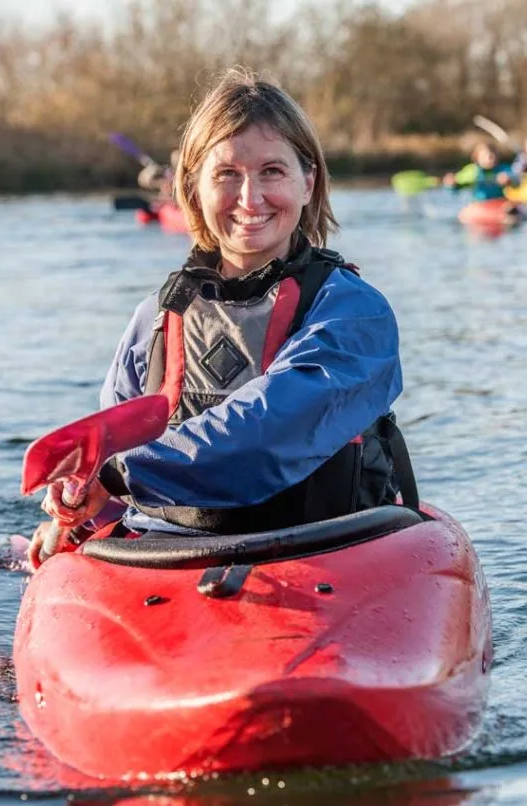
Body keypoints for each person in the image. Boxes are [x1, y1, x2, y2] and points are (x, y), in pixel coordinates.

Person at [30, 69, 414, 565]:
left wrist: (118, 477)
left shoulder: (354, 314)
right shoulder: (156, 317)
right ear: (193, 188)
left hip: (321, 549)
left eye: (272, 171)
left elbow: (270, 431)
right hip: (162, 557)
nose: (250, 199)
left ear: (307, 183)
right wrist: (79, 508)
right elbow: (110, 449)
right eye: (227, 174)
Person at [442, 142, 517, 201]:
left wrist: (509, 180)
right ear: (477, 158)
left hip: (499, 204)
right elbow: (455, 187)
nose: (491, 159)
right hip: (480, 205)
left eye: (493, 155)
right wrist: (451, 184)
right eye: (486, 156)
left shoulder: (503, 169)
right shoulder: (472, 171)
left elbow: (516, 181)